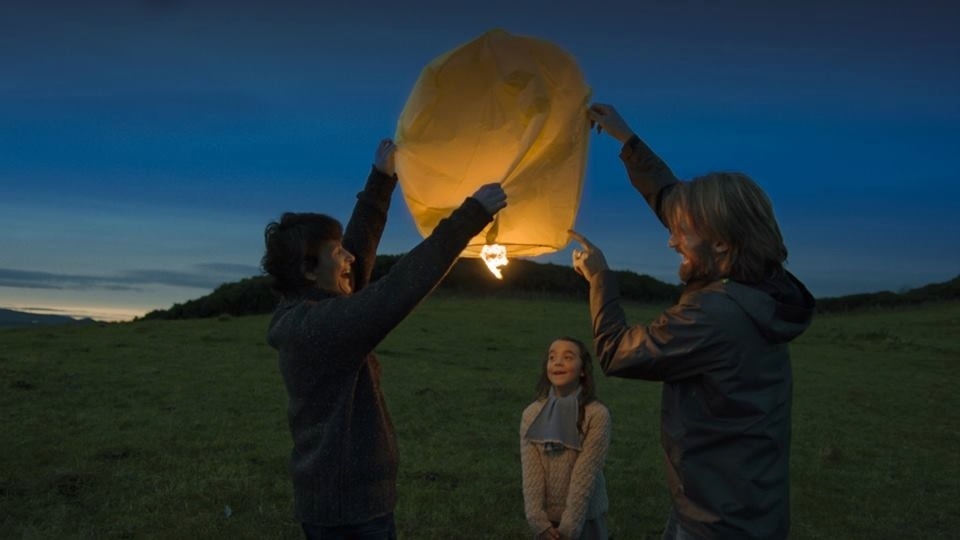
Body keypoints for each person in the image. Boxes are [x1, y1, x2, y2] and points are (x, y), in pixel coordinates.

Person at [569, 104, 815, 539]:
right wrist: (627, 141)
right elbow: (676, 203)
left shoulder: (716, 314)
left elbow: (615, 351)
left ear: (721, 242)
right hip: (746, 506)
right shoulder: (763, 282)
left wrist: (600, 277)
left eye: (682, 233)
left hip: (715, 525)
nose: (670, 240)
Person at [262, 138, 507, 539]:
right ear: (309, 271)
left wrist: (381, 179)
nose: (350, 259)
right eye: (337, 252)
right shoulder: (320, 327)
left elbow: (358, 255)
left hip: (342, 503)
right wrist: (470, 216)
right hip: (349, 513)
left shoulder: (311, 309)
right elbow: (397, 290)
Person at [520, 337, 611, 540]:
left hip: (585, 519)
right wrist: (538, 521)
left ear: (582, 370)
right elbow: (530, 471)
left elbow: (585, 474)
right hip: (547, 524)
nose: (558, 362)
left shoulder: (596, 415)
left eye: (568, 357)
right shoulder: (531, 414)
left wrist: (570, 527)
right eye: (552, 357)